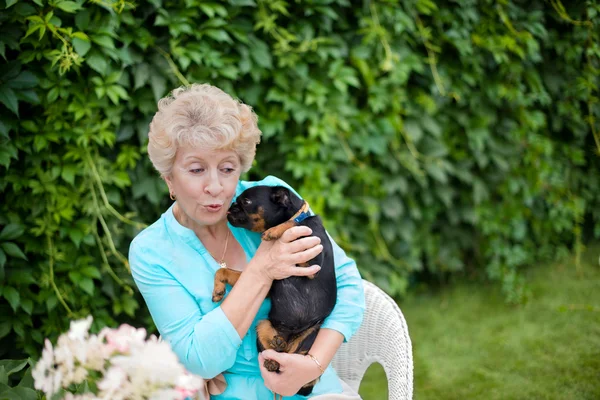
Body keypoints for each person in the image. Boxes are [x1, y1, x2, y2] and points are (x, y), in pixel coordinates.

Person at [129, 84, 365, 400]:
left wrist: (313, 364)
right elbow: (202, 360)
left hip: (311, 387)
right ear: (169, 178)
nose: (215, 186)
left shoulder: (273, 203)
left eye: (227, 169)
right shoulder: (151, 251)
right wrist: (262, 269)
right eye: (197, 169)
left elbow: (347, 284)